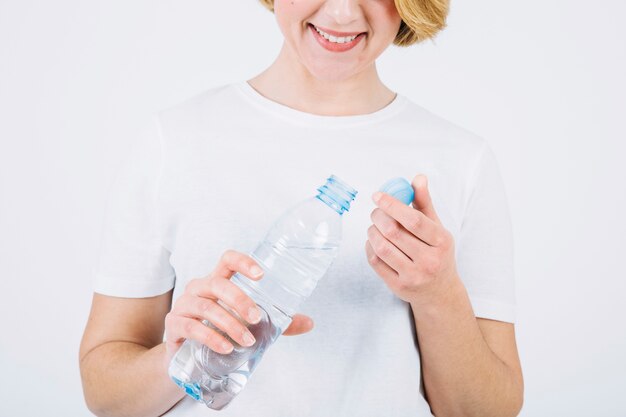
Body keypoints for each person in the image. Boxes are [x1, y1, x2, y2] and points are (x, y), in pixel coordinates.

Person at [79, 0, 524, 416]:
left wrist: (438, 294)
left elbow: (488, 410)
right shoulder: (175, 140)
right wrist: (181, 356)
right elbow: (104, 393)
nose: (343, 12)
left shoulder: (461, 159)